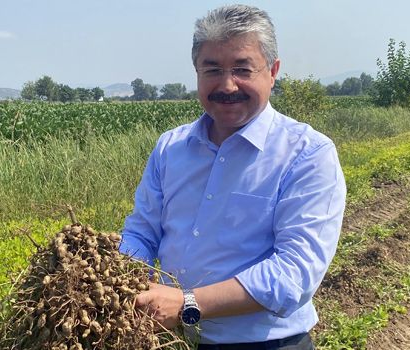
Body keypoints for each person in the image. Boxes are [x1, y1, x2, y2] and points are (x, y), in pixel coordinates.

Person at [119, 4, 346, 349]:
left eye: (242, 69)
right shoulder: (171, 148)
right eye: (212, 70)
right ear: (196, 72)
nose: (227, 85)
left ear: (273, 71)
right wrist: (118, 280)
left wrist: (187, 304)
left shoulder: (308, 154)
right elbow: (142, 231)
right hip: (171, 339)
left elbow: (294, 274)